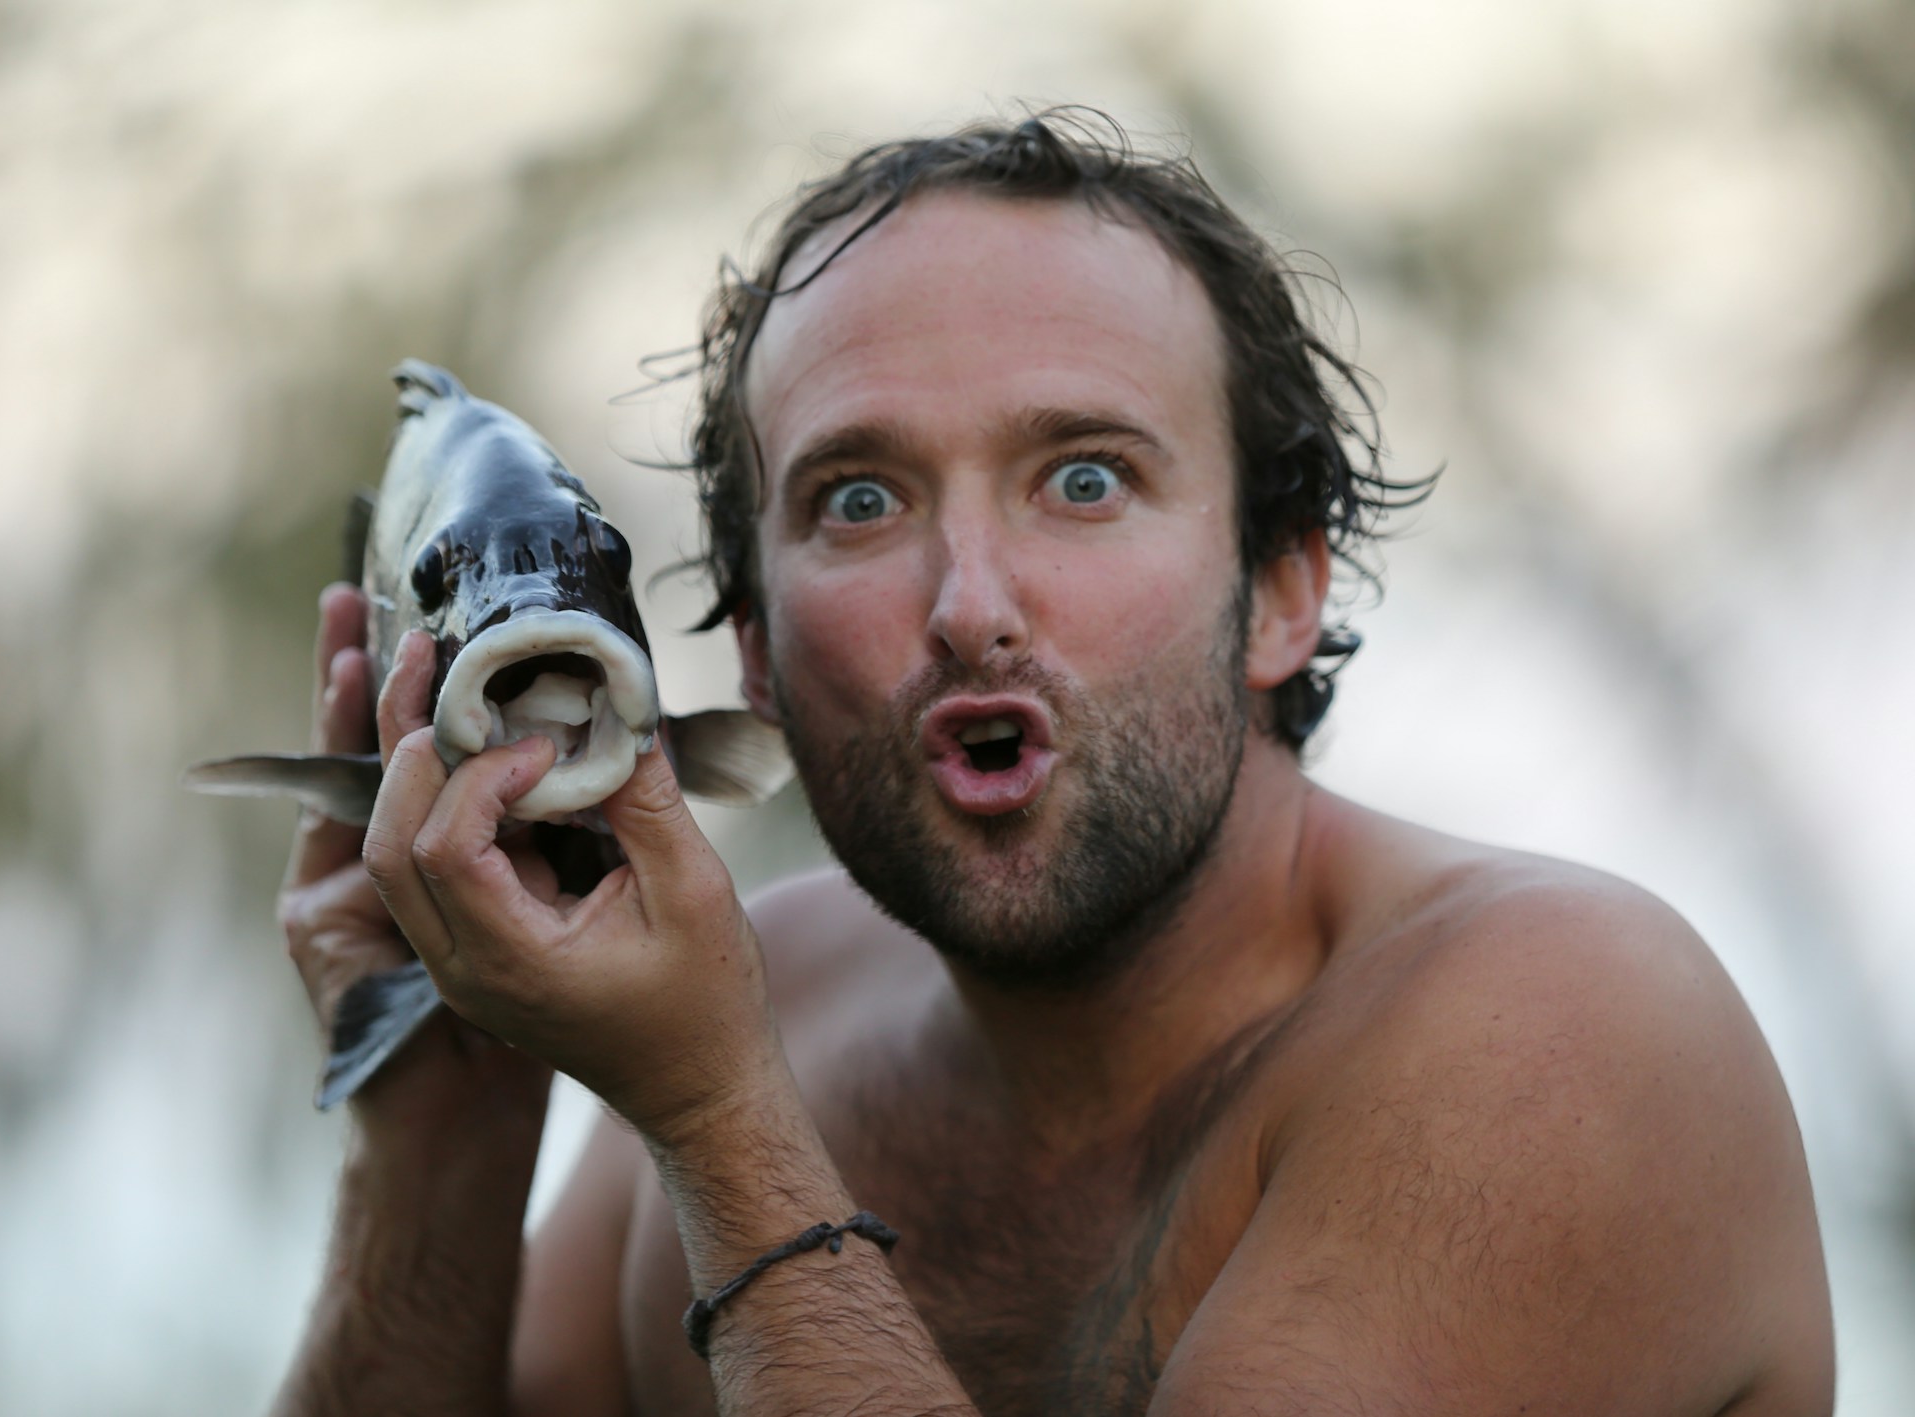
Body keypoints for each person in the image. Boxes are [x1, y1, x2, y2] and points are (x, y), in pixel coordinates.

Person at [272, 113, 1834, 1416]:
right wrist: (438, 1129)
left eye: (1083, 478)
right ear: (751, 646)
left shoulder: (1564, 1031)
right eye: (860, 502)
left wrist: (721, 1127)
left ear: (1283, 586)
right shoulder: (778, 1001)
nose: (970, 606)